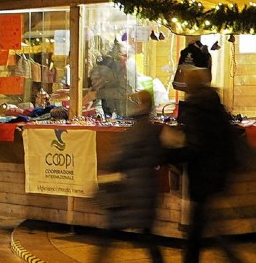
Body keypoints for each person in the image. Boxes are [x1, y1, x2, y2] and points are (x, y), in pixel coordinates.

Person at [174, 68, 245, 263]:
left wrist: (173, 153)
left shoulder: (195, 108)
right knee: (205, 223)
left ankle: (231, 258)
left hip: (203, 174)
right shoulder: (213, 103)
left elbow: (197, 145)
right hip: (217, 171)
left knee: (202, 225)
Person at [93, 90, 166, 263]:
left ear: (142, 105)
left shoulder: (135, 131)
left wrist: (107, 167)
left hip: (131, 190)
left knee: (111, 231)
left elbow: (120, 156)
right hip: (147, 188)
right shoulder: (154, 129)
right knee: (148, 235)